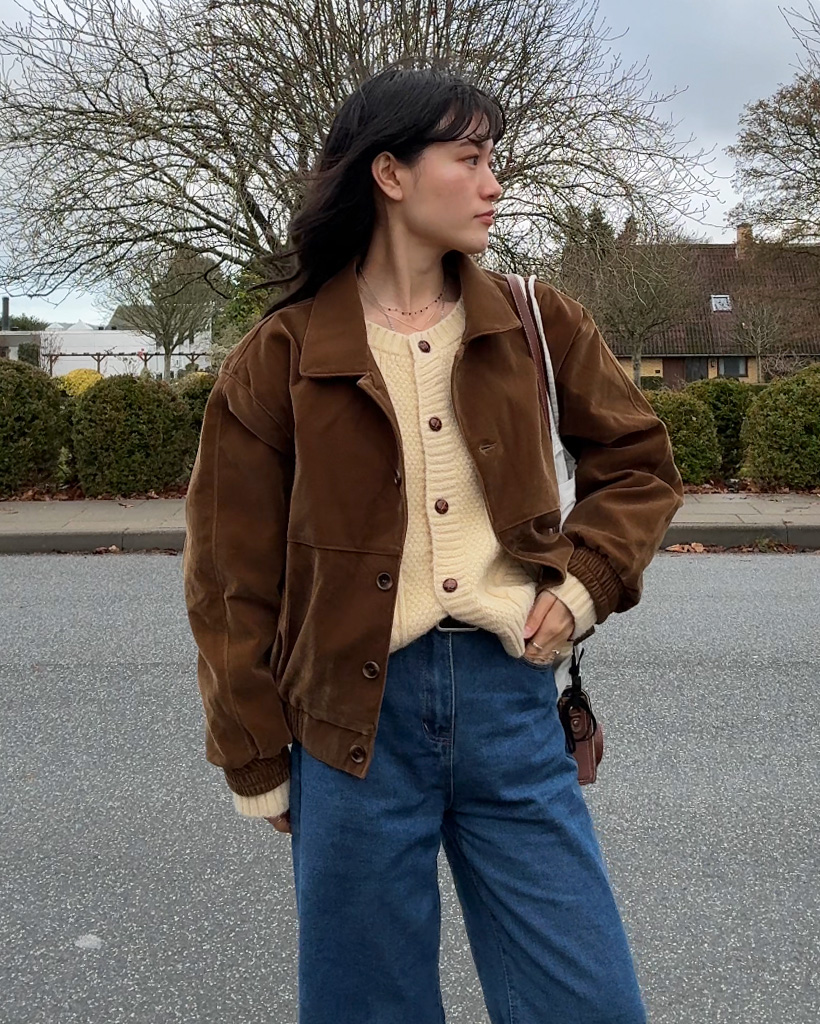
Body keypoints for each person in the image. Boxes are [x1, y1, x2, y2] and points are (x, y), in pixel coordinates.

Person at [183, 64, 684, 1024]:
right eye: (471, 158)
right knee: (368, 1007)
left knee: (588, 1001)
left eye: (493, 159)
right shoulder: (280, 356)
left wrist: (580, 585)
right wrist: (253, 753)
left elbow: (639, 466)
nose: (494, 182)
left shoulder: (538, 322)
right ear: (391, 174)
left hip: (512, 708)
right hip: (348, 727)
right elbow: (227, 579)